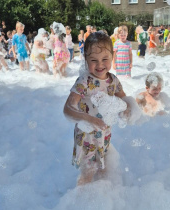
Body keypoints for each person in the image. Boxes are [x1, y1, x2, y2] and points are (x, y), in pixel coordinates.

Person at [63, 32, 130, 185]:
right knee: (88, 172)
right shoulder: (84, 81)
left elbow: (124, 99)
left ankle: (102, 196)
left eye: (105, 59)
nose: (100, 65)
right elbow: (67, 109)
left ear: (112, 57)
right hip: (87, 135)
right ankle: (80, 199)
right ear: (86, 59)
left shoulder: (113, 80)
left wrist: (128, 110)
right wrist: (89, 119)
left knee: (103, 167)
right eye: (94, 60)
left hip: (105, 134)